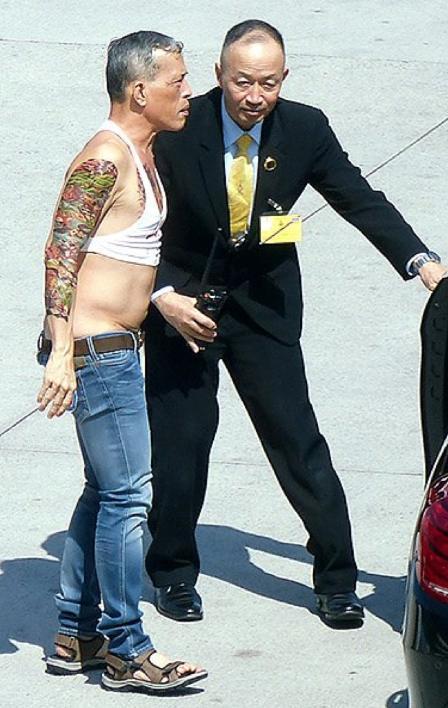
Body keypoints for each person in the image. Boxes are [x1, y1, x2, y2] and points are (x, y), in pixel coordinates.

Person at [144, 19, 446, 627]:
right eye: (243, 82)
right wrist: (160, 296)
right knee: (182, 450)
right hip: (184, 311)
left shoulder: (305, 127)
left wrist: (419, 260)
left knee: (299, 445)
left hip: (264, 312)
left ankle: (336, 580)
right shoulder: (178, 129)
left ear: (285, 79)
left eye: (269, 83)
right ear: (218, 76)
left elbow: (357, 196)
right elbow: (131, 228)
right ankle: (172, 572)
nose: (255, 96)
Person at [36, 31, 207, 693]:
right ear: (141, 91)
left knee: (105, 492)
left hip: (116, 348)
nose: (187, 93)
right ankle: (126, 648)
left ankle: (74, 636)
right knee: (131, 498)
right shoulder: (106, 157)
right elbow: (59, 253)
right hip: (97, 354)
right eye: (178, 82)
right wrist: (60, 353)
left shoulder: (143, 151)